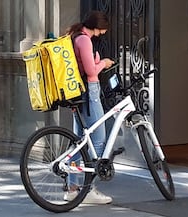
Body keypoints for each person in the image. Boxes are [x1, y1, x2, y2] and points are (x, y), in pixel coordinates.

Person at [64, 11, 115, 204]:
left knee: (79, 142)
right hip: (89, 93)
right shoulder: (84, 40)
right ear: (98, 26)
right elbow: (90, 71)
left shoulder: (74, 36)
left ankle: (73, 188)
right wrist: (104, 62)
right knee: (98, 141)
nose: (103, 33)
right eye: (103, 29)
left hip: (78, 93)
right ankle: (88, 190)